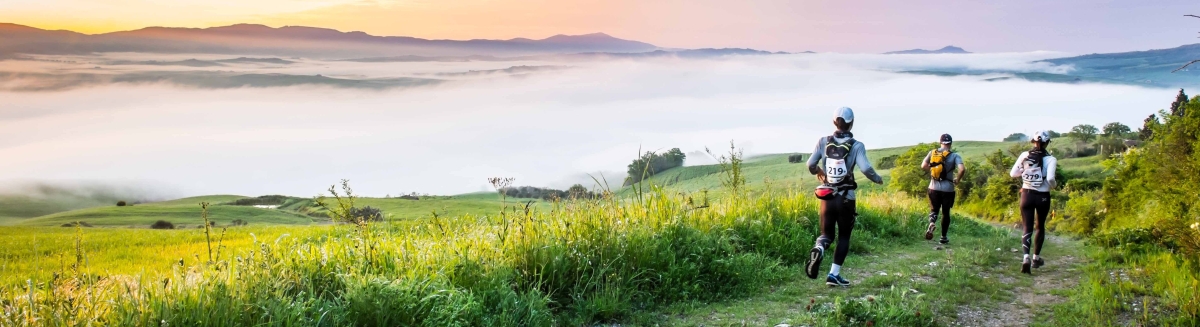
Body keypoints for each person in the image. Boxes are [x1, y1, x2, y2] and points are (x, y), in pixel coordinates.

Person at [805, 107, 885, 287]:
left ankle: (818, 248)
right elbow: (865, 169)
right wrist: (877, 179)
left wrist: (818, 171)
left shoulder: (823, 141)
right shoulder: (857, 146)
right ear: (852, 123)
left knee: (826, 235)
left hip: (826, 195)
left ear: (834, 122)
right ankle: (834, 274)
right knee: (844, 237)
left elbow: (810, 164)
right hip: (846, 197)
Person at [1009, 131, 1057, 274]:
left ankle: (1025, 258)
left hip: (1026, 194)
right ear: (1047, 143)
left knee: (1026, 227)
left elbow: (1013, 174)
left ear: (1032, 142)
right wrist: (1053, 186)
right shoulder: (1051, 159)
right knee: (1040, 226)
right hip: (1042, 196)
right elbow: (1050, 179)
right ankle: (1036, 258)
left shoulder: (1025, 155)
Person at [921, 134, 965, 244]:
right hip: (948, 189)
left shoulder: (932, 152)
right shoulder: (955, 156)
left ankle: (931, 222)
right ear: (950, 143)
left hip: (933, 187)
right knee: (946, 213)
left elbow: (923, 166)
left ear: (940, 142)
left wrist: (933, 172)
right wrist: (957, 179)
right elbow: (962, 169)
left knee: (934, 209)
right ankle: (943, 237)